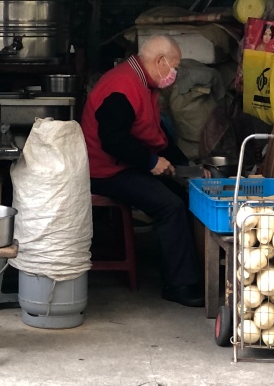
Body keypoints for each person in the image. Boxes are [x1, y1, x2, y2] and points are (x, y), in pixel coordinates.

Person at [81, 35, 204, 307]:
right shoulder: (122, 86)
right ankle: (178, 285)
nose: (175, 73)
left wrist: (188, 169)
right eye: (175, 66)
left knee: (183, 192)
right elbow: (113, 140)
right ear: (160, 62)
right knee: (169, 205)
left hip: (124, 163)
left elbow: (155, 135)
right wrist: (150, 162)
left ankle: (189, 272)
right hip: (105, 171)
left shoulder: (143, 83)